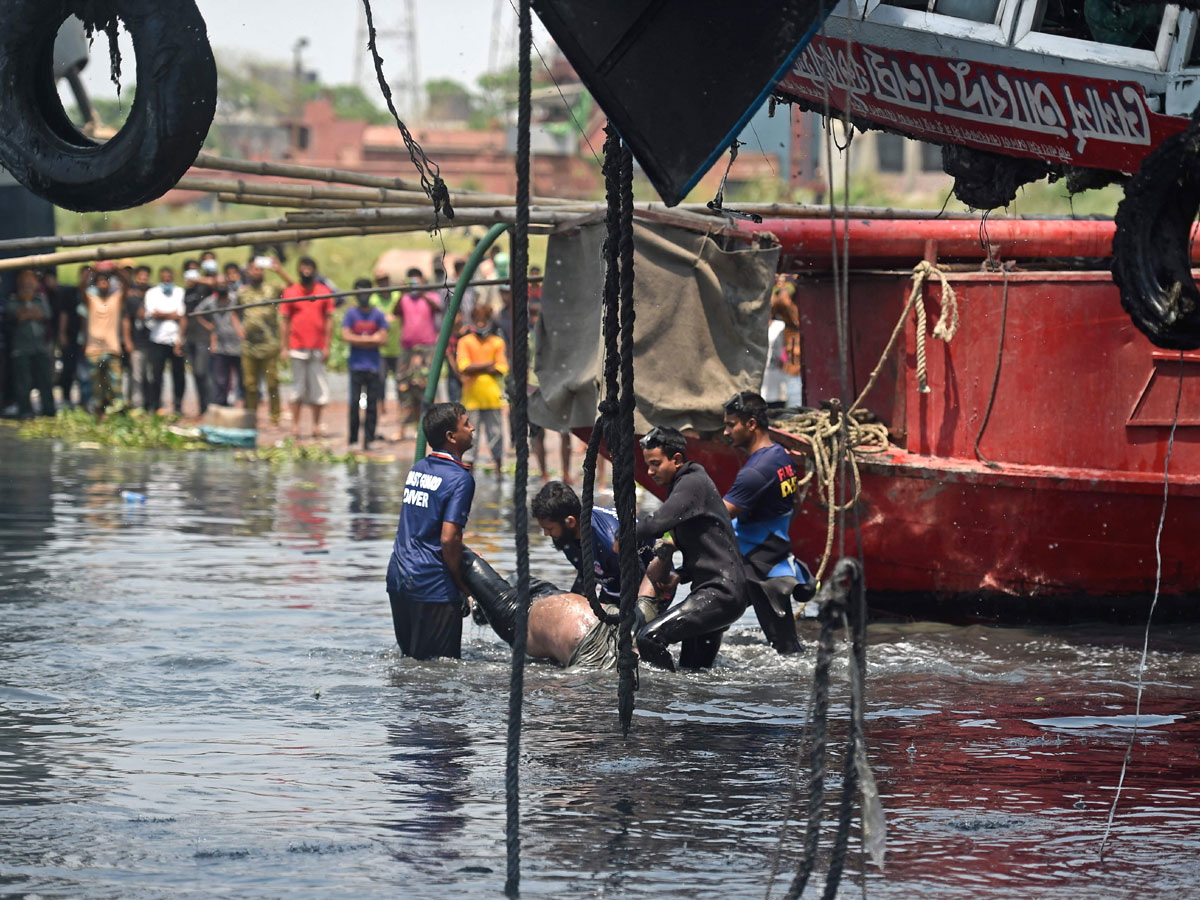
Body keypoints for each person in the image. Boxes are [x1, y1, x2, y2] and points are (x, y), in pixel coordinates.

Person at [634, 427, 747, 671]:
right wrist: (681, 575)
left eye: (655, 464)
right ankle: (685, 706)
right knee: (693, 672)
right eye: (647, 464)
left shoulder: (692, 482)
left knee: (649, 639)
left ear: (676, 460)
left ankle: (663, 700)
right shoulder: (685, 484)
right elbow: (710, 545)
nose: (650, 471)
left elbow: (657, 522)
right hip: (719, 593)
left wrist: (623, 536)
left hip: (720, 593)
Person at [386, 402, 477, 660]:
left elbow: (422, 530)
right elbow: (448, 539)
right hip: (432, 584)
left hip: (400, 579)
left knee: (411, 663)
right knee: (440, 674)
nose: (472, 428)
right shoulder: (460, 479)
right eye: (466, 424)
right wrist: (461, 584)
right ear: (451, 437)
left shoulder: (418, 469)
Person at [722, 391, 807, 654]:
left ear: (751, 424)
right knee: (787, 648)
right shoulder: (781, 456)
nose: (725, 432)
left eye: (730, 424)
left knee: (787, 652)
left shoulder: (756, 471)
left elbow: (720, 515)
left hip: (761, 568)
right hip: (773, 556)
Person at [531, 480, 665, 613]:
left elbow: (640, 584)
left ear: (570, 521)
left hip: (654, 584)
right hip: (613, 582)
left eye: (549, 528)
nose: (546, 534)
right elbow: (586, 573)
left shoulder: (610, 543)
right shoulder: (569, 534)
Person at [280, 257, 334, 439]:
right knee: (297, 389)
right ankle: (295, 426)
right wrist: (284, 347)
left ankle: (316, 426)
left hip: (317, 347)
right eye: (303, 267)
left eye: (309, 267)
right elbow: (285, 321)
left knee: (318, 388)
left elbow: (329, 320)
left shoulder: (323, 292)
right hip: (296, 346)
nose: (306, 271)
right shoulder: (291, 292)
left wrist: (327, 346)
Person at [456, 303, 507, 473]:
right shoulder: (465, 341)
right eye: (477, 320)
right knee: (470, 437)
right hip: (471, 398)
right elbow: (463, 366)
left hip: (492, 397)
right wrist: (488, 365)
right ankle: (468, 473)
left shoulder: (497, 342)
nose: (480, 324)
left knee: (496, 435)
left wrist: (475, 367)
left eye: (483, 320)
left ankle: (499, 471)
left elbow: (501, 368)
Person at [239, 258, 288, 427]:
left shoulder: (272, 289)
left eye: (260, 269)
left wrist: (279, 271)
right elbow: (232, 312)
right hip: (249, 347)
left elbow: (295, 288)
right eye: (254, 269)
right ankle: (251, 417)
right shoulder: (242, 292)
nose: (257, 272)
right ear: (248, 272)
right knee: (250, 385)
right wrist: (238, 328)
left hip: (269, 345)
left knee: (272, 384)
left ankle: (275, 418)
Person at [395, 267, 442, 441]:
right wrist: (401, 293)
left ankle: (428, 427)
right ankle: (403, 428)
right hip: (407, 348)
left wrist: (422, 294)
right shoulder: (404, 299)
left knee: (425, 385)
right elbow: (395, 312)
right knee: (404, 386)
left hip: (426, 348)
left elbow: (437, 308)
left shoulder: (431, 297)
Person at [342, 279, 389, 449]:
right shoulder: (350, 314)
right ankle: (353, 439)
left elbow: (383, 339)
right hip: (356, 365)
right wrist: (371, 339)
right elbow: (346, 336)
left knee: (372, 404)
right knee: (354, 403)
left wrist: (360, 339)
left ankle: (369, 439)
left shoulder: (377, 314)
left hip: (373, 366)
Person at [6, 269, 56, 418]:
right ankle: (25, 411)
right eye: (25, 282)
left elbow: (45, 314)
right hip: (21, 348)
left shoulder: (40, 299)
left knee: (45, 379)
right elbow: (17, 316)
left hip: (39, 347)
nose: (28, 285)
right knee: (23, 382)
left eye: (31, 281)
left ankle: (48, 410)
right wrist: (32, 313)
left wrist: (29, 313)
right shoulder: (13, 301)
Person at [83, 269, 131, 420]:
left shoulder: (115, 298)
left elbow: (127, 284)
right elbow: (81, 286)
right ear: (96, 284)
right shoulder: (91, 299)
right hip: (93, 348)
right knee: (96, 384)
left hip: (112, 347)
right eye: (100, 281)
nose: (103, 283)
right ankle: (99, 413)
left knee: (115, 382)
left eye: (106, 281)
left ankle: (118, 411)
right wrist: (93, 267)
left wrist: (115, 268)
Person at [143, 266, 186, 415]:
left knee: (179, 375)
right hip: (157, 340)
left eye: (169, 277)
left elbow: (181, 315)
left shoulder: (180, 292)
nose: (167, 279)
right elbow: (152, 313)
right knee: (156, 376)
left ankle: (178, 406)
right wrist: (171, 315)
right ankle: (155, 406)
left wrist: (165, 315)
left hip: (175, 340)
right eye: (164, 277)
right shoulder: (152, 293)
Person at [196, 279, 243, 407]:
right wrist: (208, 325)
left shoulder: (236, 299)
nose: (222, 286)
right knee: (221, 380)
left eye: (224, 284)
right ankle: (221, 406)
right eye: (219, 284)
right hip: (221, 346)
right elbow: (197, 312)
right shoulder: (210, 302)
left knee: (242, 380)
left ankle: (242, 406)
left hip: (239, 345)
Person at [181, 259, 214, 416]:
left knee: (203, 372)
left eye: (195, 270)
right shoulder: (186, 293)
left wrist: (197, 279)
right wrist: (180, 338)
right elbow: (184, 317)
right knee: (195, 375)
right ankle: (202, 408)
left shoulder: (204, 287)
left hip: (204, 337)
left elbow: (216, 282)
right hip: (190, 338)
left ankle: (209, 407)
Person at [370, 271, 401, 416]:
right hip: (381, 349)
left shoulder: (397, 296)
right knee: (380, 381)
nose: (383, 283)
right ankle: (381, 408)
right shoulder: (373, 300)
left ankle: (400, 409)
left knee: (400, 381)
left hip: (397, 346)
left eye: (385, 280)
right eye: (380, 281)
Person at [123, 265, 152, 410]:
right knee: (136, 376)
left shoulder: (153, 295)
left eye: (145, 278)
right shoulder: (131, 299)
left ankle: (150, 404)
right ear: (136, 279)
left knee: (150, 376)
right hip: (137, 342)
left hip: (152, 342)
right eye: (140, 277)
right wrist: (127, 340)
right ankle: (136, 406)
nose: (143, 280)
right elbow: (127, 320)